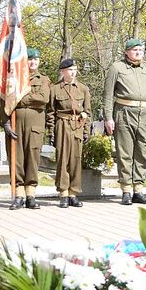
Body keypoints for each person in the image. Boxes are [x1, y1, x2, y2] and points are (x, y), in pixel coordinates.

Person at [103, 38, 146, 206]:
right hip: (124, 112)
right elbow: (107, 95)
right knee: (125, 151)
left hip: (145, 113)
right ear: (127, 51)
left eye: (141, 50)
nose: (138, 53)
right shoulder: (117, 68)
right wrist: (108, 117)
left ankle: (138, 189)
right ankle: (126, 190)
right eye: (135, 50)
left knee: (143, 151)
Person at [4, 48, 51, 210]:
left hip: (35, 126)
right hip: (16, 124)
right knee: (16, 159)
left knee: (32, 158)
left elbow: (43, 98)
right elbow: (6, 101)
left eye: (36, 60)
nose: (33, 62)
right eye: (30, 60)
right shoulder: (14, 79)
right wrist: (6, 122)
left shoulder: (43, 79)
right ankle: (19, 195)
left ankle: (31, 195)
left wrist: (21, 97)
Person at [49, 58, 91, 208]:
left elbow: (88, 112)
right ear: (63, 72)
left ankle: (73, 193)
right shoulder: (55, 89)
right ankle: (63, 193)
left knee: (75, 160)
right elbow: (50, 113)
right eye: (69, 70)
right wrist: (51, 132)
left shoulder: (83, 88)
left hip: (77, 125)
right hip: (62, 124)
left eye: (74, 70)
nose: (72, 73)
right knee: (63, 159)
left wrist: (86, 131)